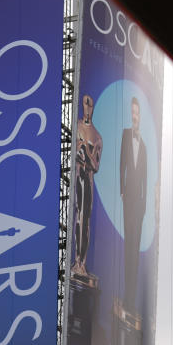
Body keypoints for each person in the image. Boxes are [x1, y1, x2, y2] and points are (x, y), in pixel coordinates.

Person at [119, 96, 147, 313]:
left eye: (137, 112)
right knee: (128, 248)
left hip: (139, 204)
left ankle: (132, 301)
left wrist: (144, 204)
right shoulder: (126, 135)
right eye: (133, 112)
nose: (134, 115)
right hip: (128, 198)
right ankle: (126, 299)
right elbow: (122, 163)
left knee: (135, 251)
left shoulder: (144, 145)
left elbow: (145, 178)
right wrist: (121, 189)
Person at [72, 94, 102, 277]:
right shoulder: (76, 126)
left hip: (88, 180)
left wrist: (85, 150)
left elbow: (95, 165)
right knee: (78, 218)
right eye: (85, 104)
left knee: (86, 221)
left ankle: (82, 263)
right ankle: (76, 261)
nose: (88, 108)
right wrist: (81, 149)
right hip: (78, 177)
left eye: (91, 105)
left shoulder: (97, 137)